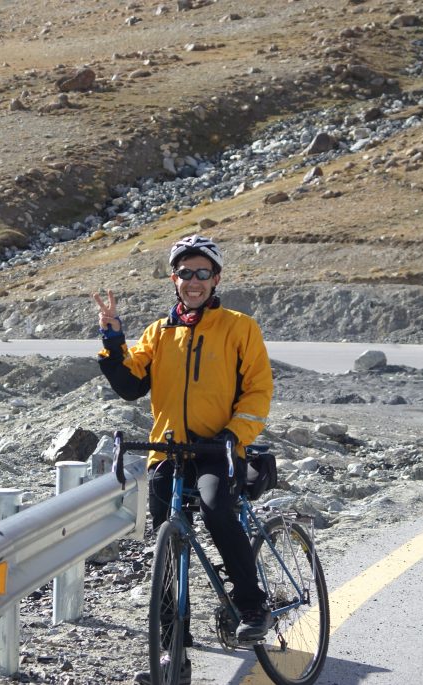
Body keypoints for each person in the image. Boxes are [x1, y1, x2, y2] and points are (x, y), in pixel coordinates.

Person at [92, 234, 274, 685]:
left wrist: (235, 435)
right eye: (185, 273)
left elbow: (258, 391)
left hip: (219, 450)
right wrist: (112, 338)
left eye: (202, 273)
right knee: (168, 550)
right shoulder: (159, 332)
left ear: (216, 279)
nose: (193, 281)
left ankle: (252, 605)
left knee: (215, 509)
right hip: (168, 451)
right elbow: (130, 385)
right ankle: (175, 656)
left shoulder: (239, 327)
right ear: (174, 279)